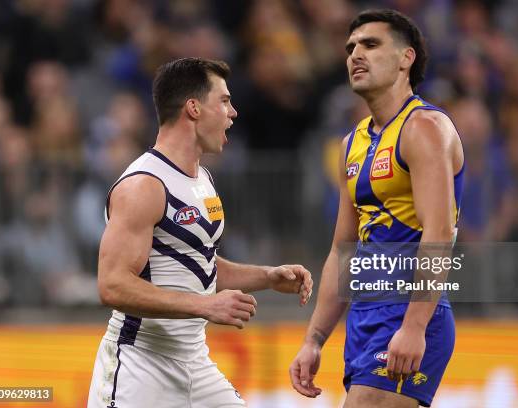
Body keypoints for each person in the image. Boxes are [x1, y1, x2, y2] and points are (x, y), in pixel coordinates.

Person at [87, 57, 313, 408]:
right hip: (140, 365)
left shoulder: (203, 179)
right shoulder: (143, 185)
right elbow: (112, 283)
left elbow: (199, 265)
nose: (233, 112)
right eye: (223, 101)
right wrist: (205, 306)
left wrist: (267, 276)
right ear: (193, 108)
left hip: (196, 362)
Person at [290, 9, 464, 408]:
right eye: (350, 47)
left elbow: (439, 233)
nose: (355, 54)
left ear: (406, 58)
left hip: (409, 311)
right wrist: (314, 339)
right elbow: (341, 250)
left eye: (370, 44)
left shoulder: (424, 128)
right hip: (365, 320)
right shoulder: (351, 144)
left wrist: (415, 326)